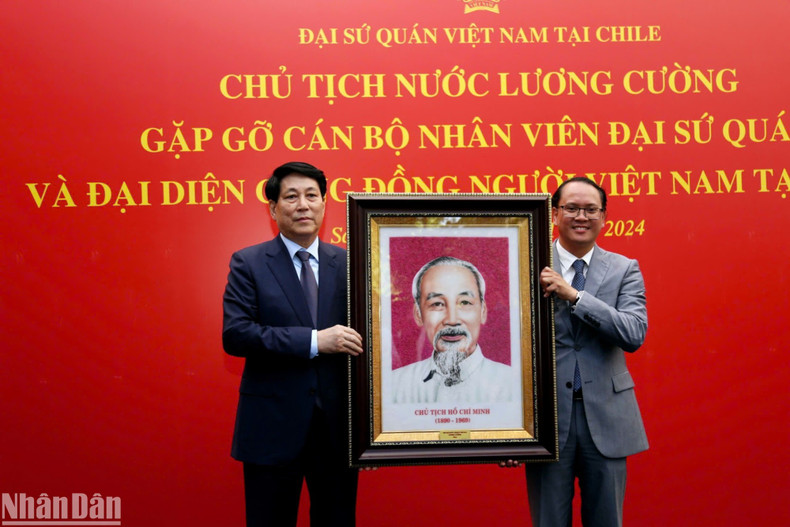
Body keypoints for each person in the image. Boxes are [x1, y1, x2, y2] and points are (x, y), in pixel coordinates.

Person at [222, 161, 363, 527]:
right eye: (291, 197)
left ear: (324, 204)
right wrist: (315, 341)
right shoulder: (249, 263)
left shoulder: (351, 263)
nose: (303, 205)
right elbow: (236, 334)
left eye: (312, 195)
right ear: (273, 208)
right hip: (271, 428)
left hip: (337, 431)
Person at [523, 177, 648, 527]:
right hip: (546, 421)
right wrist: (508, 429)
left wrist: (575, 296)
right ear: (555, 213)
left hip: (607, 416)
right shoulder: (527, 262)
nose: (581, 217)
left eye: (591, 209)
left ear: (603, 217)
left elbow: (633, 333)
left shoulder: (625, 268)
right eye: (572, 208)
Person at [391, 256, 512, 404]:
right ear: (418, 314)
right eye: (437, 304)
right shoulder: (395, 386)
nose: (452, 320)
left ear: (483, 312)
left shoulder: (513, 385)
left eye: (465, 302)